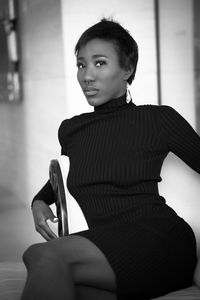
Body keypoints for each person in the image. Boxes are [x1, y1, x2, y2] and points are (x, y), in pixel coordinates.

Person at [21, 18, 199, 300]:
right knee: (63, 284)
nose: (87, 75)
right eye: (81, 64)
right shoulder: (71, 129)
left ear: (127, 69)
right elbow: (67, 177)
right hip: (109, 245)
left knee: (40, 255)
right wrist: (39, 201)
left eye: (100, 63)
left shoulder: (158, 119)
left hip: (160, 239)